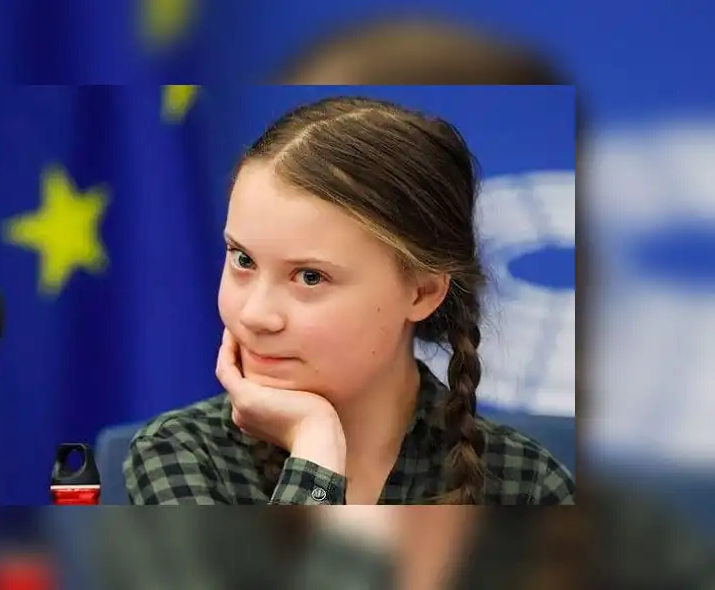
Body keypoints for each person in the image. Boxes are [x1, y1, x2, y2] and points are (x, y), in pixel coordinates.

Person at [123, 95, 576, 505]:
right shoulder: (178, 454)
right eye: (242, 260)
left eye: (310, 277)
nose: (256, 315)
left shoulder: (527, 484)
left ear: (422, 292)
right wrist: (315, 452)